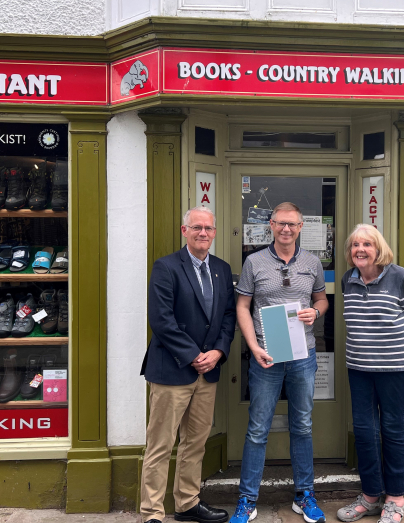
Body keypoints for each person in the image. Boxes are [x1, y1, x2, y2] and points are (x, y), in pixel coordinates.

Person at [229, 202, 330, 523]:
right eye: (281, 224)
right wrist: (253, 346)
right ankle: (247, 500)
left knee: (302, 426)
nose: (286, 229)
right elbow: (242, 306)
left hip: (303, 355)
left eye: (292, 225)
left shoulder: (312, 262)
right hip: (266, 356)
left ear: (301, 227)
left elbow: (321, 298)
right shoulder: (253, 262)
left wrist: (316, 312)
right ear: (271, 225)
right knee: (258, 429)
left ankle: (304, 495)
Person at [140, 206, 236, 523]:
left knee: (195, 443)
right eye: (196, 228)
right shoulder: (166, 267)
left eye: (208, 228)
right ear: (185, 231)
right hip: (172, 370)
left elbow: (227, 317)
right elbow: (161, 320)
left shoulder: (222, 269)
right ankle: (152, 512)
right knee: (160, 444)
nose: (203, 233)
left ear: (215, 232)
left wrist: (219, 352)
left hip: (208, 373)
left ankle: (187, 503)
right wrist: (195, 355)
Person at [336, 224, 404, 523]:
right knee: (364, 432)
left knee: (392, 429)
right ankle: (371, 496)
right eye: (355, 245)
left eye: (367, 244)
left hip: (395, 369)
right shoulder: (347, 280)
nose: (360, 250)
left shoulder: (402, 277)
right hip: (359, 368)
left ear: (379, 249)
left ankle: (396, 498)